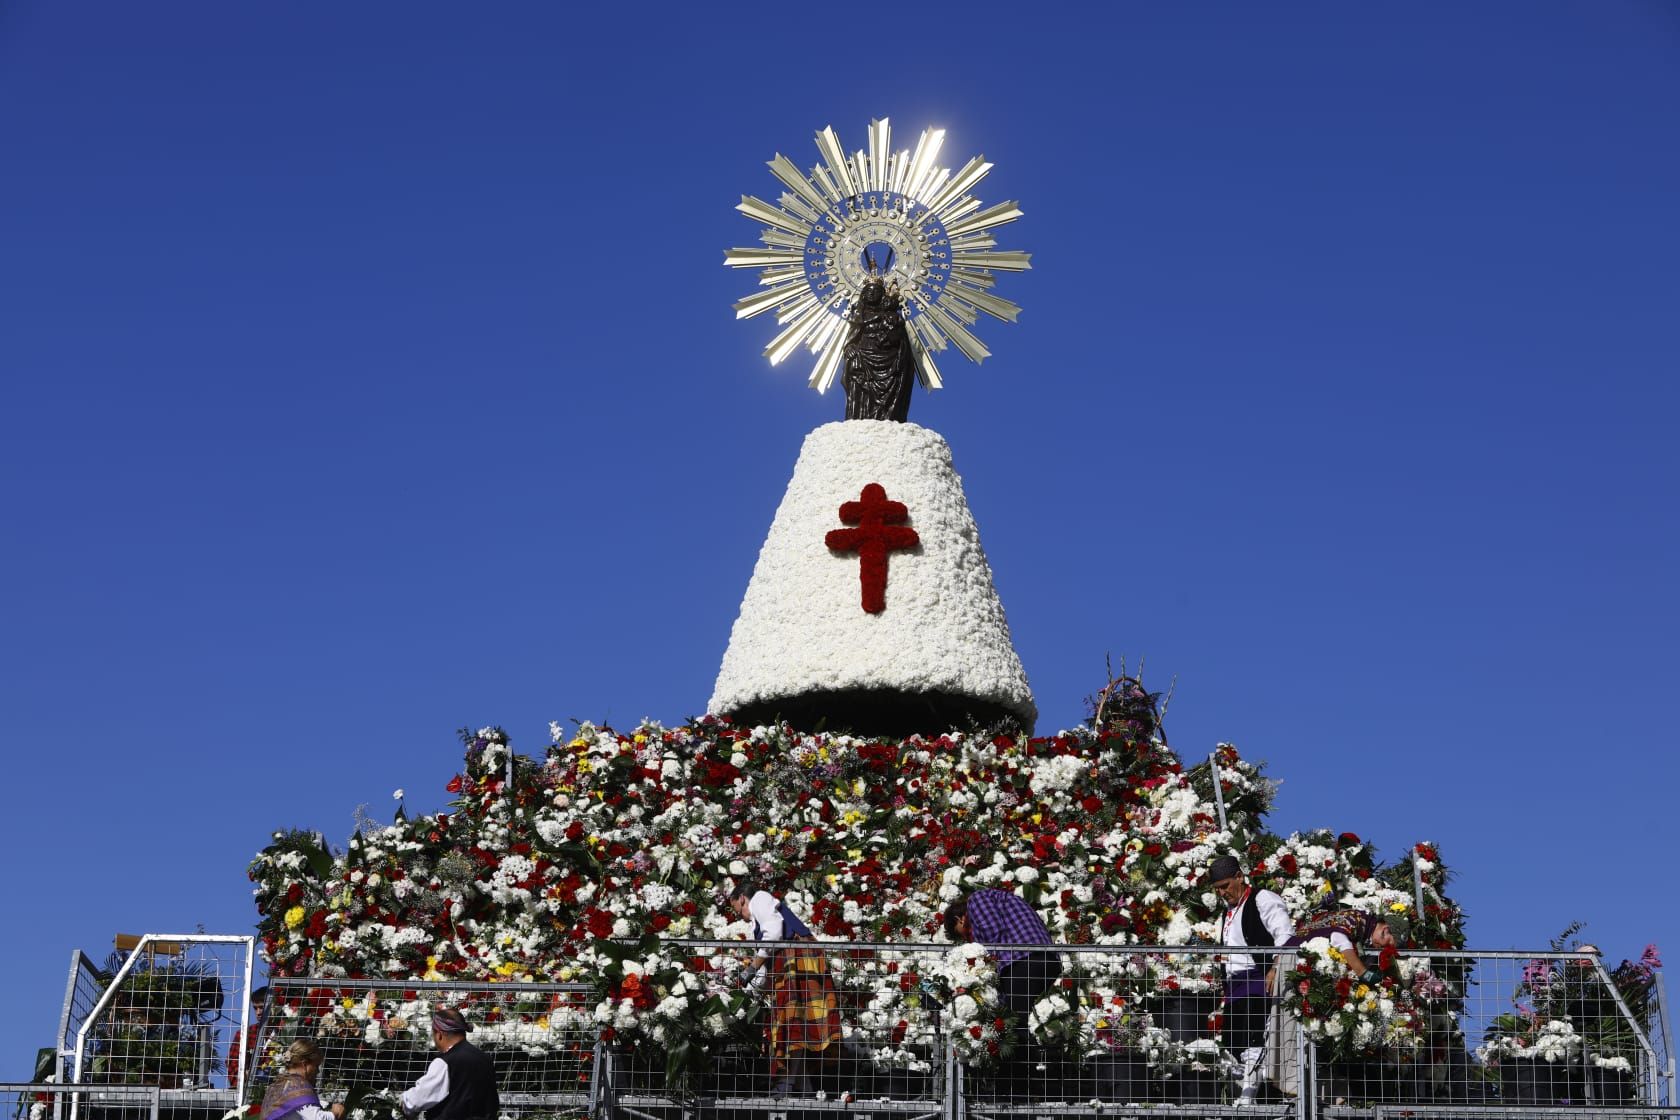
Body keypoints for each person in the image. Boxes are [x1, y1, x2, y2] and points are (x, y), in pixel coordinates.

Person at [945, 889, 1063, 1099]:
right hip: (1039, 959)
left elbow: (992, 933)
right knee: (1021, 1019)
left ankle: (1017, 1087)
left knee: (1014, 1024)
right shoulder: (998, 899)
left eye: (961, 933)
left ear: (959, 918)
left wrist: (982, 968)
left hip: (1024, 958)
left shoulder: (977, 899)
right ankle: (1022, 1083)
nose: (967, 939)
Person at [727, 883, 841, 1096]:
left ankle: (785, 1085)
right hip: (794, 962)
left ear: (742, 898)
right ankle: (802, 1088)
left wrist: (753, 967)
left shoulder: (759, 897)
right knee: (796, 1028)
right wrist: (754, 975)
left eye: (737, 909)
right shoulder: (761, 916)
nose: (740, 916)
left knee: (792, 1027)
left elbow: (774, 933)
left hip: (797, 960)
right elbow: (769, 949)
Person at [1206, 855, 1295, 1104]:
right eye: (1217, 889)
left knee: (1255, 1040)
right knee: (1235, 1045)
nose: (1223, 892)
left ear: (1239, 877)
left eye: (1225, 885)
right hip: (1235, 986)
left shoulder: (1263, 898)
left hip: (1258, 980)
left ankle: (1248, 1096)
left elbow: (1285, 935)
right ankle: (1250, 1093)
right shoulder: (1228, 912)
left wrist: (1275, 966)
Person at [841, 267, 916, 423]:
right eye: (868, 290)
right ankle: (857, 418)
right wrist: (849, 348)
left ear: (882, 295)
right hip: (863, 358)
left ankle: (888, 417)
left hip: (889, 359)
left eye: (875, 291)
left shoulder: (891, 316)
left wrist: (892, 326)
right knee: (854, 365)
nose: (871, 293)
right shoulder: (858, 316)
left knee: (892, 387)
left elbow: (899, 340)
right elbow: (851, 340)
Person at [398, 1008, 499, 1120]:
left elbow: (416, 1100)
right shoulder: (484, 1058)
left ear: (439, 1035)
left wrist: (402, 1103)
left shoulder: (445, 1062)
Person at [258, 1039, 344, 1120]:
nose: (317, 1071)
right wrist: (335, 1113)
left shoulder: (277, 1085)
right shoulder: (297, 1085)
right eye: (316, 1065)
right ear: (305, 1064)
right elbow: (316, 1118)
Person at [228, 985, 269, 1090]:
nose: (258, 1013)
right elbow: (232, 1062)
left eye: (261, 1007)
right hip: (250, 1090)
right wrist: (244, 1075)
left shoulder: (283, 1032)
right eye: (255, 1008)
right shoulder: (245, 1034)